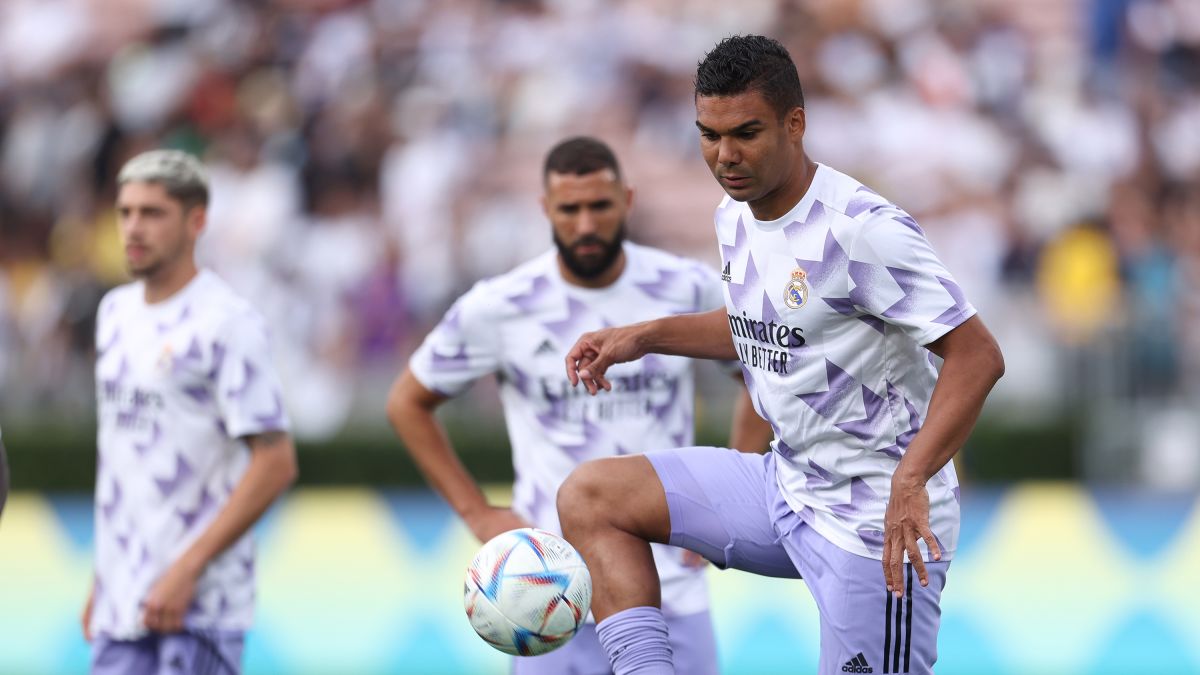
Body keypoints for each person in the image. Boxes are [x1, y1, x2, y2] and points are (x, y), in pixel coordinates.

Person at [558, 35, 1005, 675]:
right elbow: (764, 326)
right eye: (709, 135)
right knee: (591, 496)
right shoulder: (735, 215)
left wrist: (912, 480)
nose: (725, 155)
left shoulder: (862, 229)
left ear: (795, 124)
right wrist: (643, 335)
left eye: (746, 132)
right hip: (785, 487)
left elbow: (977, 354)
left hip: (877, 520)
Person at [386, 136, 773, 675]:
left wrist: (727, 496)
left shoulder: (684, 286)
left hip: (671, 587)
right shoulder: (500, 305)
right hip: (546, 594)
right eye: (570, 209)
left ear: (628, 201)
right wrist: (477, 512)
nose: (586, 224)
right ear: (546, 209)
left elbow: (759, 367)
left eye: (600, 206)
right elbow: (408, 402)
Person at [83, 150, 298, 675]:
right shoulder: (114, 313)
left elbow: (275, 463)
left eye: (152, 213)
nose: (133, 228)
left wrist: (187, 569)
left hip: (200, 606)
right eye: (125, 212)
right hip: (122, 599)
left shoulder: (227, 324)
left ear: (196, 221)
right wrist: (104, 575)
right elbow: (121, 456)